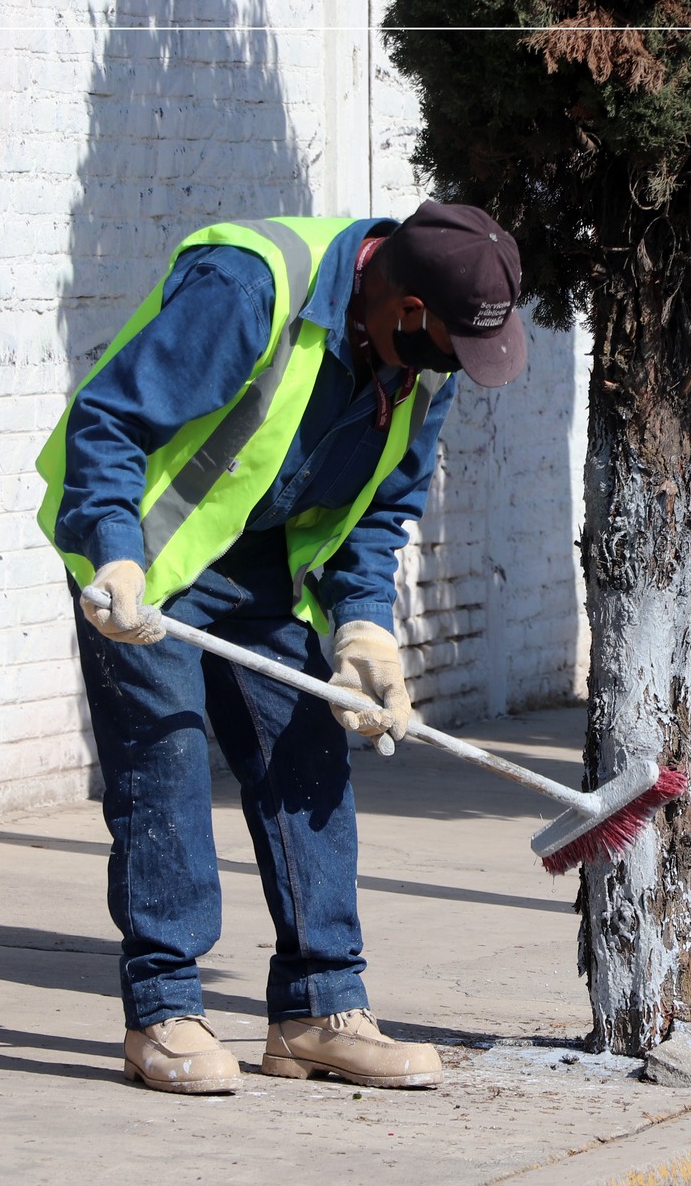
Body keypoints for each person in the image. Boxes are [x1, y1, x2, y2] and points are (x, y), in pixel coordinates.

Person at [34, 202, 527, 1095]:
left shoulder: (425, 362)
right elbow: (106, 419)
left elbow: (378, 512)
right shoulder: (251, 286)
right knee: (167, 762)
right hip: (148, 558)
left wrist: (365, 625)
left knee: (306, 755)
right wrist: (113, 551)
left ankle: (316, 1010)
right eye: (447, 347)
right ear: (407, 310)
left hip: (261, 570)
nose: (451, 370)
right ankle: (164, 1009)